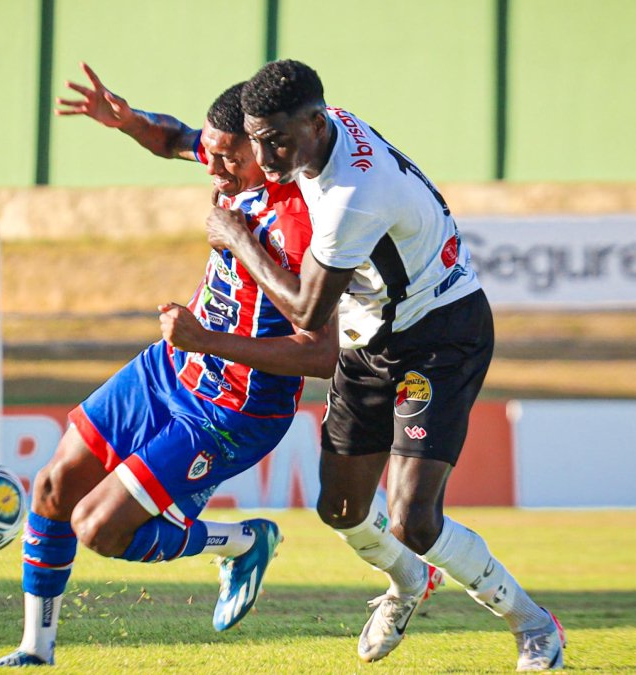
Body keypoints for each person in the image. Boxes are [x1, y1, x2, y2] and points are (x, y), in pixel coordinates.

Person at [201, 60, 564, 670]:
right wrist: (134, 122)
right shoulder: (313, 131)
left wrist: (237, 236)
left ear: (316, 124)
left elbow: (309, 311)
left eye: (276, 142)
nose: (263, 159)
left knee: (413, 520)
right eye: (256, 141)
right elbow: (205, 141)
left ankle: (532, 624)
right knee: (339, 509)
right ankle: (409, 585)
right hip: (372, 336)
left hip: (439, 336)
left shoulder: (353, 195)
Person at [0, 74, 341, 667]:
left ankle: (242, 542)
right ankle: (35, 650)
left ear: (262, 150)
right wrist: (126, 120)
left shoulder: (303, 220)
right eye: (213, 156)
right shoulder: (224, 158)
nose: (215, 171)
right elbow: (174, 138)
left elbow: (320, 354)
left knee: (100, 530)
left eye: (228, 160)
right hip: (170, 368)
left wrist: (207, 335)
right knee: (52, 488)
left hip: (233, 410)